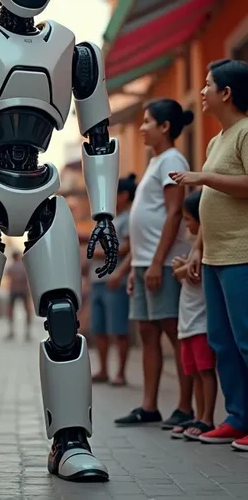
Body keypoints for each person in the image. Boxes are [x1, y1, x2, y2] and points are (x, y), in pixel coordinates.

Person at [171, 59, 248, 449]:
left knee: (247, 338)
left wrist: (202, 177)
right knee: (221, 340)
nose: (202, 92)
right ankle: (237, 418)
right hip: (216, 254)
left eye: (207, 85)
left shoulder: (246, 132)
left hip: (242, 253)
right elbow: (211, 205)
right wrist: (198, 248)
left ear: (226, 93)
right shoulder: (217, 140)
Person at [115, 99, 194, 430]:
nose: (142, 127)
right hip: (145, 263)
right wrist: (135, 266)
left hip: (161, 263)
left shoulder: (173, 159)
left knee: (174, 334)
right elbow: (145, 222)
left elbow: (175, 213)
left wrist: (157, 262)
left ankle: (185, 407)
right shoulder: (155, 160)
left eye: (148, 121)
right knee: (148, 333)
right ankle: (149, 406)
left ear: (165, 127)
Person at [170, 190, 217, 441]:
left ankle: (208, 418)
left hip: (200, 322)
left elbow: (192, 273)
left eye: (189, 219)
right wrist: (181, 267)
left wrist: (180, 269)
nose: (186, 224)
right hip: (188, 323)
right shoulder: (194, 246)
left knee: (205, 371)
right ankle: (200, 416)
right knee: (195, 372)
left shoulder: (206, 244)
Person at [90, 173, 136, 387]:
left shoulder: (129, 219)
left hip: (115, 279)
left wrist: (100, 253)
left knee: (118, 328)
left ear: (124, 195)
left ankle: (121, 372)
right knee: (99, 328)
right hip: (97, 279)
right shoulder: (109, 219)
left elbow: (128, 247)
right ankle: (103, 369)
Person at [5, 250, 32, 341]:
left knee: (10, 311)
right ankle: (27, 333)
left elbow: (8, 275)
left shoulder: (11, 267)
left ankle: (11, 332)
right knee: (28, 311)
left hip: (13, 290)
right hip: (24, 290)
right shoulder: (25, 267)